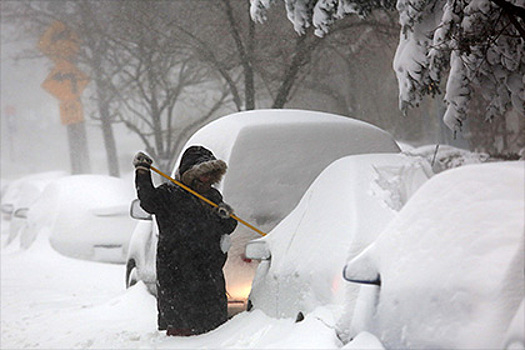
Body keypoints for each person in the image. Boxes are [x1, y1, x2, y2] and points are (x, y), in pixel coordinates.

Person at [133, 146, 237, 336]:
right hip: (178, 270)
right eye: (202, 175)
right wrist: (142, 172)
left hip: (208, 272)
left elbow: (229, 226)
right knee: (184, 330)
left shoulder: (212, 197)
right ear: (189, 174)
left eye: (210, 175)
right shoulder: (169, 194)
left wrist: (226, 216)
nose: (206, 180)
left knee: (215, 331)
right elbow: (148, 201)